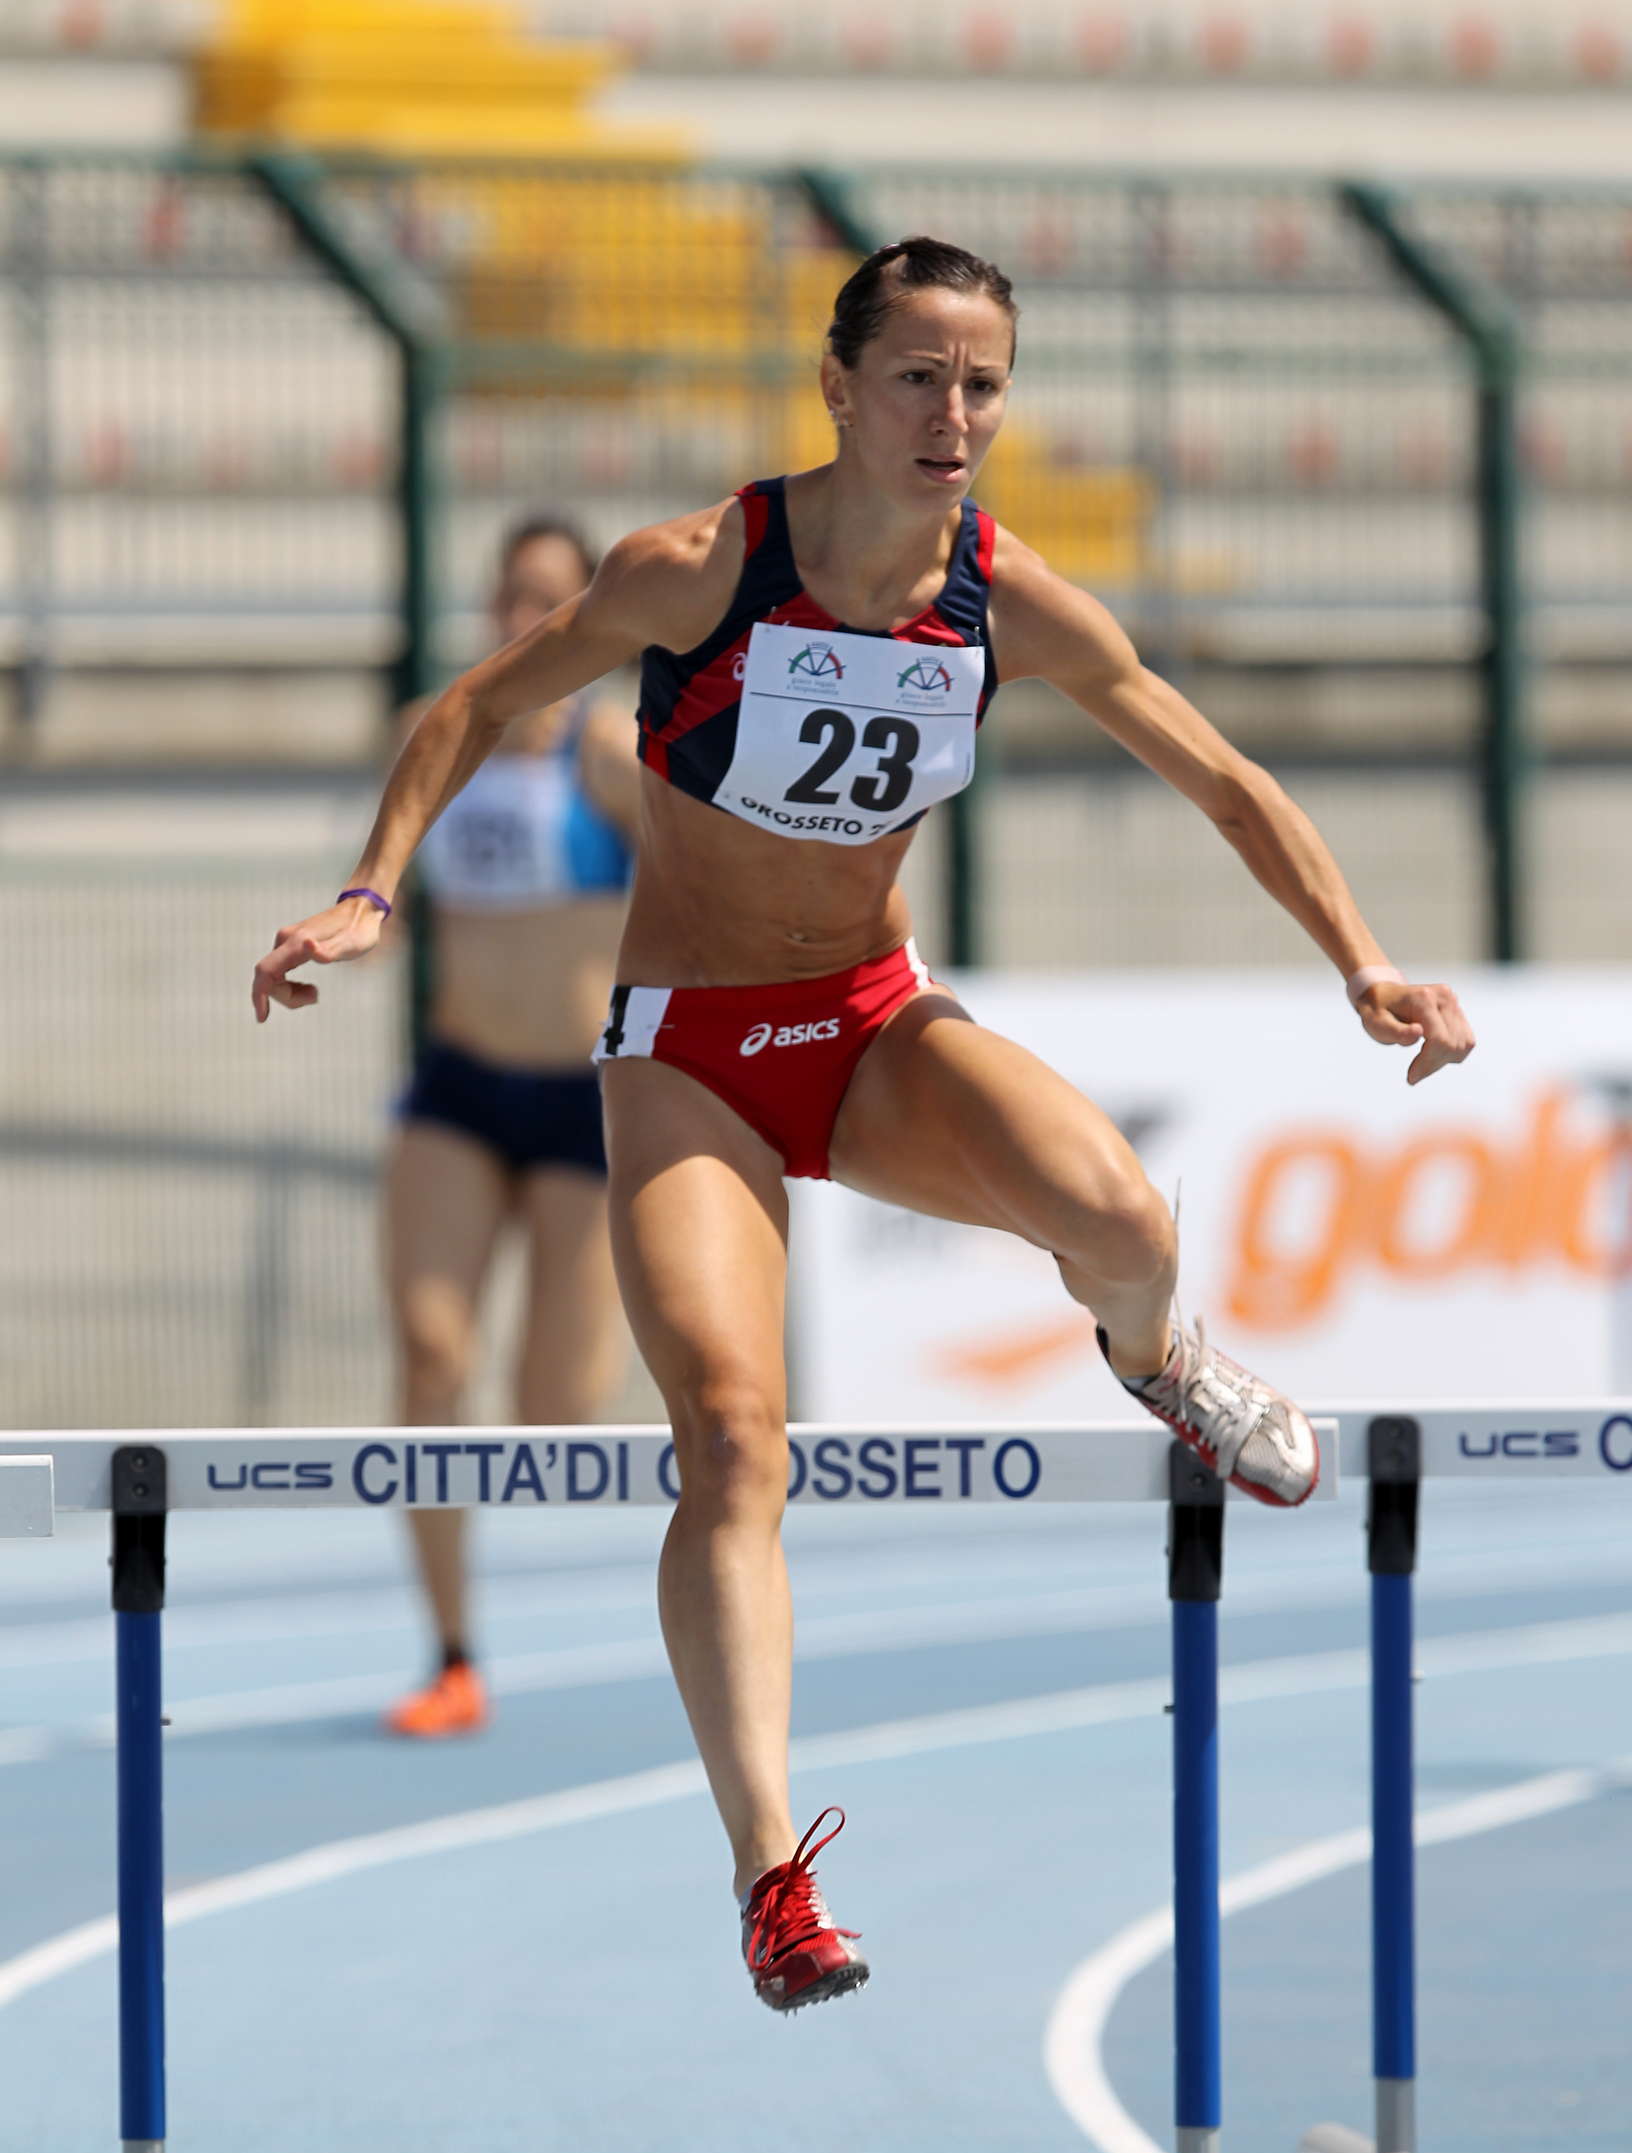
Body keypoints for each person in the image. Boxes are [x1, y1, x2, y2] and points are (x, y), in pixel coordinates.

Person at [254, 236, 1474, 2009]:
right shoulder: (698, 569)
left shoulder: (1007, 598)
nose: (952, 416)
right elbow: (474, 703)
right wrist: (371, 888)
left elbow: (1224, 781)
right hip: (688, 1055)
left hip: (870, 1026)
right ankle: (772, 1876)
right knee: (732, 1438)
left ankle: (1161, 1363)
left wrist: (1363, 962)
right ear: (838, 387)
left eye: (982, 386)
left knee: (1124, 1220)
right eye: (918, 378)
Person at [382, 515, 640, 1737]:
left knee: (556, 1411)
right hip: (461, 1089)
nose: (521, 618)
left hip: (581, 1103)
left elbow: (710, 890)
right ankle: (451, 1654)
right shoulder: (437, 732)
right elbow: (383, 879)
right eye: (508, 594)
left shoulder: (614, 753)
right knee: (431, 1355)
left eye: (549, 598)